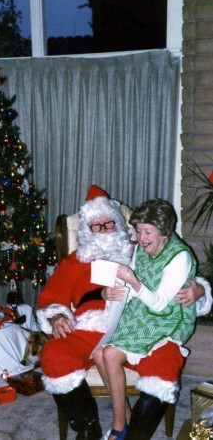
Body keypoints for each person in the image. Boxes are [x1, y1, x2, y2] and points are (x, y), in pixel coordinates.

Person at [37, 186, 211, 440]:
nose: (104, 230)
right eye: (96, 226)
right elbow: (52, 297)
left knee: (166, 361)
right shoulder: (74, 262)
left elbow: (177, 274)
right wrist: (57, 316)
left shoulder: (139, 248)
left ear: (119, 224)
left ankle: (135, 435)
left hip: (139, 324)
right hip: (87, 328)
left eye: (109, 223)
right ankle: (88, 427)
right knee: (53, 353)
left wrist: (200, 292)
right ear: (85, 230)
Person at [93, 198, 204, 440]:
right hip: (143, 311)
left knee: (110, 354)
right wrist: (114, 290)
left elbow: (161, 302)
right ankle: (126, 421)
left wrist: (133, 281)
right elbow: (134, 291)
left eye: (147, 231)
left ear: (163, 231)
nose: (141, 237)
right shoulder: (141, 250)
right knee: (99, 353)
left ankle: (118, 427)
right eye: (139, 230)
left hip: (168, 317)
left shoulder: (180, 256)